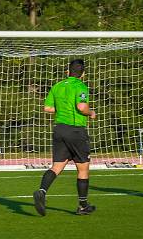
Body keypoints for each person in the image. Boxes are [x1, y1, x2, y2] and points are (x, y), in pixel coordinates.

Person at [33, 59, 96, 216]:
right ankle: (82, 206)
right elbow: (82, 107)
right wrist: (91, 112)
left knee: (57, 166)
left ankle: (42, 190)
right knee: (83, 168)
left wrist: (63, 109)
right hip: (76, 131)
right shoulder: (80, 86)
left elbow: (47, 108)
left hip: (59, 129)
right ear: (83, 74)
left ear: (68, 72)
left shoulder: (58, 86)